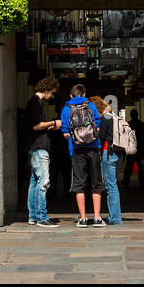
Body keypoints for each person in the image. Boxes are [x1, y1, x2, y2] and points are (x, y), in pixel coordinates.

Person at [60, 83, 105, 227]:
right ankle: (97, 218)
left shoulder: (66, 109)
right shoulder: (91, 106)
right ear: (84, 94)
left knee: (79, 183)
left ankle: (83, 218)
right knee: (96, 182)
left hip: (76, 150)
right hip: (93, 148)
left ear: (71, 95)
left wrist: (76, 137)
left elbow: (66, 133)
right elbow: (97, 126)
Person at [24, 76, 62, 226]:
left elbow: (36, 125)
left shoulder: (33, 102)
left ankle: (33, 216)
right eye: (52, 93)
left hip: (33, 147)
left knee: (34, 182)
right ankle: (41, 217)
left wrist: (48, 126)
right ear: (46, 90)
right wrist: (54, 122)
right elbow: (36, 125)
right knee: (43, 182)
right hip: (39, 148)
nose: (52, 96)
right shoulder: (36, 103)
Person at [93, 96, 123, 226]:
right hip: (118, 154)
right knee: (113, 185)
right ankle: (114, 215)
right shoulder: (115, 117)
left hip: (108, 154)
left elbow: (101, 137)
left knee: (111, 187)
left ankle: (115, 218)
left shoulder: (105, 118)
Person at [123, 108, 144, 189]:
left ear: (130, 116)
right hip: (140, 148)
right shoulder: (141, 124)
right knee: (141, 168)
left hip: (131, 148)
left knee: (129, 167)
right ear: (137, 115)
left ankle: (126, 183)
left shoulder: (128, 124)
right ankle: (142, 183)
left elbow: (125, 137)